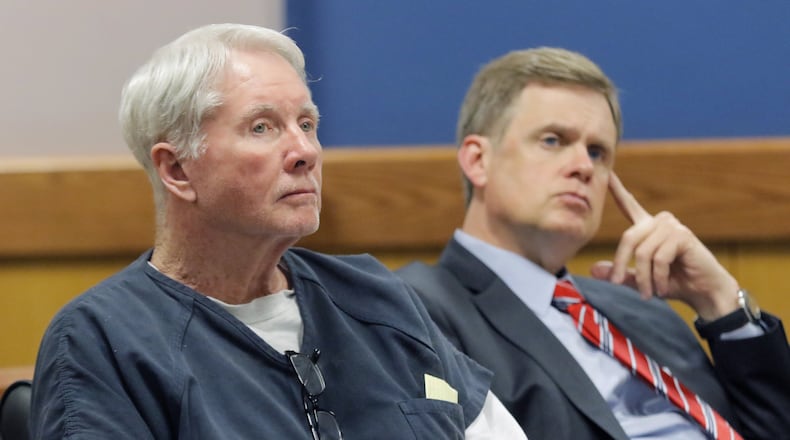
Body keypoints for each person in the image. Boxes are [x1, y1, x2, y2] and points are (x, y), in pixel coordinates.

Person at [29, 23, 528, 439]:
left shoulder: (377, 298)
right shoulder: (103, 339)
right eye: (262, 127)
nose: (305, 151)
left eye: (307, 123)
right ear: (177, 169)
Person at [397, 47, 790, 440]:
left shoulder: (647, 313)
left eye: (598, 151)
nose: (584, 166)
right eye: (553, 140)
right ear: (478, 160)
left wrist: (720, 301)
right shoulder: (414, 309)